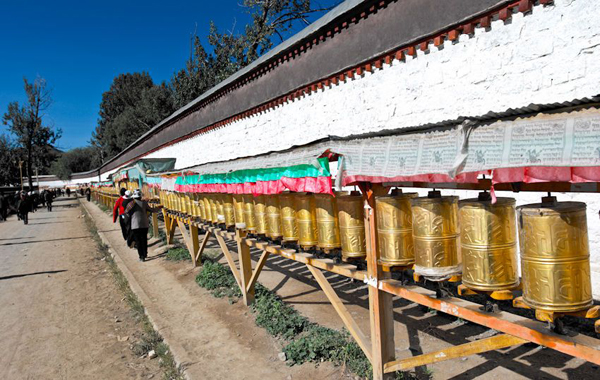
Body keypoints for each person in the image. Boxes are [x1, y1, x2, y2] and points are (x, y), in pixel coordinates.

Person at [124, 189, 161, 262]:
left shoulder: (131, 204)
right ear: (140, 196)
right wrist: (159, 207)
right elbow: (152, 210)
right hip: (144, 224)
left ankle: (141, 256)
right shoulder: (144, 203)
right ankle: (145, 254)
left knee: (138, 241)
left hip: (135, 225)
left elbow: (126, 214)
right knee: (144, 239)